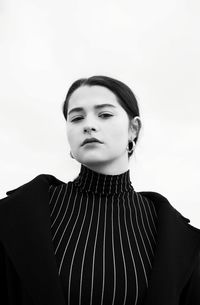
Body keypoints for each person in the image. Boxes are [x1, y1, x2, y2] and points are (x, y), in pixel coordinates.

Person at [0, 75, 200, 305]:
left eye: (104, 114)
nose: (88, 125)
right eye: (76, 118)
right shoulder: (16, 217)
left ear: (133, 129)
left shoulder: (176, 237)